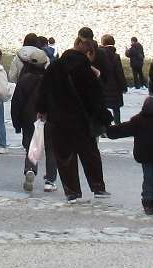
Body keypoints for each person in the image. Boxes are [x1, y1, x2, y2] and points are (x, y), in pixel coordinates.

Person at [37, 28, 112, 201]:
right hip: (81, 121)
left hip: (58, 120)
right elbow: (94, 98)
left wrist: (42, 110)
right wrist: (104, 117)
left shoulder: (55, 66)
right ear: (89, 52)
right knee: (90, 153)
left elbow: (44, 90)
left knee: (64, 157)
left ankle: (72, 192)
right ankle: (98, 187)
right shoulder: (85, 70)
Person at [105, 93, 153, 214]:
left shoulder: (138, 120)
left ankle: (148, 203)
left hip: (145, 156)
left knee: (148, 179)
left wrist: (109, 130)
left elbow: (123, 129)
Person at [10, 37, 57, 192]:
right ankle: (50, 181)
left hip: (28, 119)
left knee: (31, 146)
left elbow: (16, 103)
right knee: (51, 149)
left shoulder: (24, 80)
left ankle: (30, 169)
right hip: (49, 118)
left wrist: (17, 123)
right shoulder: (50, 80)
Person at [96, 33, 128, 122]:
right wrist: (123, 86)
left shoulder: (98, 54)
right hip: (115, 86)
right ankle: (117, 125)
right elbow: (119, 73)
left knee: (103, 107)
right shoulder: (115, 56)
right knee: (116, 107)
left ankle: (103, 128)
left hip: (102, 85)